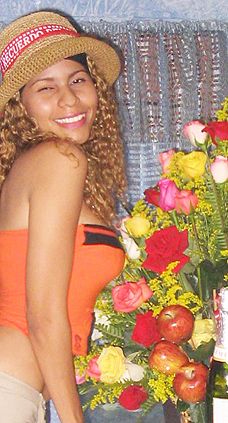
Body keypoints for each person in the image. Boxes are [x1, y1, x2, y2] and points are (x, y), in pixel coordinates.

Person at [0, 10, 127, 423]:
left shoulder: (39, 165)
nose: (69, 99)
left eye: (77, 80)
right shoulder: (59, 159)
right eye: (45, 87)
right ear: (21, 106)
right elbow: (43, 315)